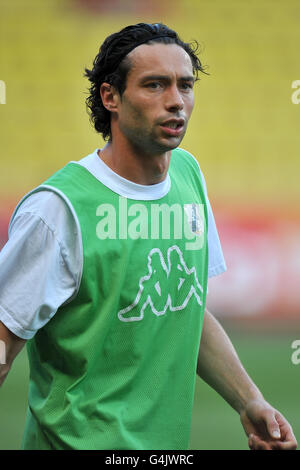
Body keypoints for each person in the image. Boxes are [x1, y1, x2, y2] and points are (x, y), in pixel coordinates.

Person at [0, 22, 297, 451]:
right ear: (111, 98)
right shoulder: (59, 210)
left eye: (185, 86)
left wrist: (249, 399)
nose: (176, 101)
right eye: (155, 85)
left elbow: (184, 307)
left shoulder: (188, 176)